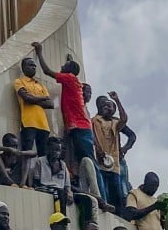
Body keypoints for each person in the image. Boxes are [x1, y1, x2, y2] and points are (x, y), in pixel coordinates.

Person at [30, 44, 102, 194]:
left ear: (69, 71)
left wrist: (40, 52)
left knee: (89, 161)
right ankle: (87, 190)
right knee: (79, 160)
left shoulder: (69, 78)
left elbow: (47, 71)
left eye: (64, 66)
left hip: (80, 127)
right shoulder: (73, 80)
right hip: (78, 127)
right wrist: (70, 62)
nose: (61, 67)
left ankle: (98, 193)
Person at [91, 91, 129, 210]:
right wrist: (98, 149)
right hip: (100, 161)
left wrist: (117, 100)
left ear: (114, 110)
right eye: (104, 106)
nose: (106, 107)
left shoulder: (115, 123)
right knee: (103, 189)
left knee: (116, 192)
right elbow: (92, 136)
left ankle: (118, 215)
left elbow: (124, 119)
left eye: (110, 106)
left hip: (114, 164)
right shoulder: (94, 120)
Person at [14, 57, 54, 156]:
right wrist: (42, 98)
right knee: (27, 153)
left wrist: (33, 99)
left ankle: (41, 172)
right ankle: (26, 172)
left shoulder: (40, 85)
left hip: (44, 125)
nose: (34, 67)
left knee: (43, 155)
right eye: (31, 65)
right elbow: (26, 98)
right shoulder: (19, 81)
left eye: (35, 66)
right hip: (28, 123)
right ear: (23, 68)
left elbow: (51, 104)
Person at [31, 136, 72, 213]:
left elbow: (67, 185)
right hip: (43, 187)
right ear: (48, 149)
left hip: (60, 190)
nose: (57, 153)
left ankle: (89, 222)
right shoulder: (40, 161)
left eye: (59, 150)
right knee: (60, 193)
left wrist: (70, 193)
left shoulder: (63, 165)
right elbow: (36, 181)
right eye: (54, 150)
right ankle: (61, 217)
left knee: (86, 198)